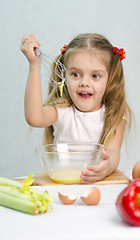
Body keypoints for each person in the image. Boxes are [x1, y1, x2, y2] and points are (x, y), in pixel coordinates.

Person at [20, 33, 132, 183]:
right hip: (64, 185)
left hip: (98, 187)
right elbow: (34, 117)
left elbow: (113, 152)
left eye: (95, 76)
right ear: (64, 75)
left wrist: (106, 166)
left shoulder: (113, 115)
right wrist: (34, 65)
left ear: (110, 79)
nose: (84, 82)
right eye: (75, 74)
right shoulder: (62, 112)